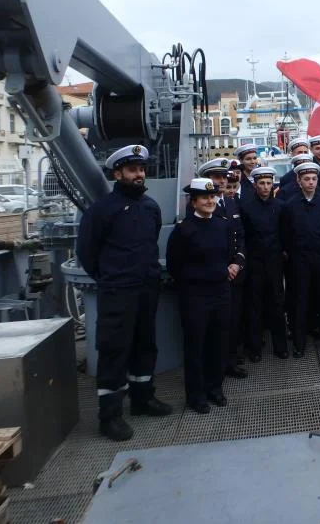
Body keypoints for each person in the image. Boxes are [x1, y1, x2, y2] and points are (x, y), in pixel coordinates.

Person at [76, 144, 172, 441]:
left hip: (145, 288)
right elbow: (87, 253)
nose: (139, 175)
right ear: (117, 173)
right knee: (115, 350)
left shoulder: (150, 207)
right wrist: (111, 277)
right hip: (117, 291)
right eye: (132, 170)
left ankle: (142, 399)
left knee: (145, 344)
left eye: (141, 169)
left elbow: (150, 241)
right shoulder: (101, 210)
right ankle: (110, 415)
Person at [166, 178, 245, 414]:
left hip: (221, 293)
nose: (210, 201)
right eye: (204, 198)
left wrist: (233, 265)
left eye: (212, 197)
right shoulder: (183, 230)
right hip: (196, 296)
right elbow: (175, 266)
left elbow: (231, 253)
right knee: (196, 346)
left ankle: (215, 388)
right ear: (194, 202)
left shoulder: (221, 225)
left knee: (219, 343)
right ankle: (196, 394)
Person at [281, 161, 320, 356]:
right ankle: (299, 343)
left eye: (314, 179)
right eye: (306, 179)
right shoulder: (290, 206)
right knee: (300, 302)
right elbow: (286, 234)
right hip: (300, 260)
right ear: (298, 180)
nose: (311, 182)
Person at [200, 158, 247, 378]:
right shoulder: (202, 207)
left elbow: (240, 237)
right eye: (215, 177)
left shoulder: (230, 204)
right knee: (215, 325)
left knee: (233, 319)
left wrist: (237, 263)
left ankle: (230, 359)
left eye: (222, 177)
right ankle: (216, 365)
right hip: (215, 276)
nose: (220, 181)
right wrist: (223, 268)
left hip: (234, 273)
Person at [240, 166, 289, 359]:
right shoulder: (246, 208)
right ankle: (254, 349)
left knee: (277, 305)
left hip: (275, 263)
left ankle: (280, 346)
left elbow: (285, 233)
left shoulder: (280, 207)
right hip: (255, 263)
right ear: (255, 185)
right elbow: (244, 236)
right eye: (262, 183)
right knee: (255, 306)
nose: (266, 187)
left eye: (269, 183)